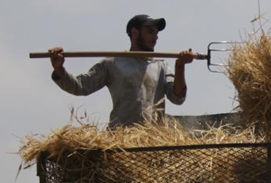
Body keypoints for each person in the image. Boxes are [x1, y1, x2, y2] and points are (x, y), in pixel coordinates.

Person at [48, 14, 196, 128]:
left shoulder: (161, 65)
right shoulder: (113, 63)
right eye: (150, 32)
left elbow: (177, 98)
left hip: (152, 142)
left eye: (157, 33)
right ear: (135, 33)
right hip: (121, 141)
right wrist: (59, 69)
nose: (155, 37)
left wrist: (180, 66)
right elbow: (80, 86)